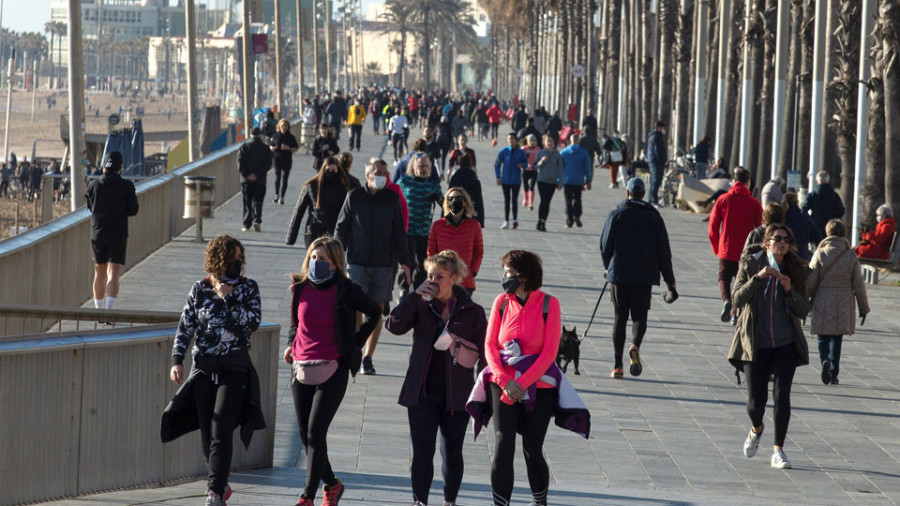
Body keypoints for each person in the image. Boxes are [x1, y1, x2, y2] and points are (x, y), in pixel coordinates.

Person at [163, 235, 265, 506]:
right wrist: (177, 360)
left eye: (241, 258)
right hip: (205, 368)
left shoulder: (248, 288)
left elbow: (252, 322)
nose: (238, 263)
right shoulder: (200, 289)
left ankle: (215, 493)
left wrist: (229, 300)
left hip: (235, 368)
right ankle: (220, 481)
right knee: (208, 433)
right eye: (234, 258)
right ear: (220, 259)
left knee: (222, 427)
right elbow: (186, 326)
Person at [284, 236, 382, 506]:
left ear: (335, 263)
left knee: (316, 433)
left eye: (323, 259)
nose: (316, 263)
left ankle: (307, 497)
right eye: (313, 258)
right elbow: (295, 321)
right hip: (301, 366)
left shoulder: (346, 289)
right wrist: (290, 345)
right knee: (305, 436)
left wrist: (354, 343)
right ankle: (333, 484)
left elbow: (375, 312)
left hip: (333, 366)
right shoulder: (299, 286)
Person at [385, 251, 487, 506]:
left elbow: (485, 353)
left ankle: (449, 501)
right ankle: (420, 501)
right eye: (430, 275)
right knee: (422, 452)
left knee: (452, 452)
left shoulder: (472, 311)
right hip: (422, 392)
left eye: (439, 276)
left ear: (454, 278)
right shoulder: (420, 305)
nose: (433, 280)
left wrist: (484, 393)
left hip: (458, 395)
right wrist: (414, 295)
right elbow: (393, 325)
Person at [483, 250, 565, 506]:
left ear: (525, 277)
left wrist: (524, 382)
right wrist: (505, 380)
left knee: (532, 449)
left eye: (509, 272)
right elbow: (489, 345)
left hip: (539, 387)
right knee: (502, 446)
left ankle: (539, 501)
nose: (504, 277)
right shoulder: (501, 302)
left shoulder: (549, 304)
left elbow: (550, 353)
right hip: (504, 384)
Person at [729, 224, 810, 470]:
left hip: (785, 343)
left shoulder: (795, 269)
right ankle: (757, 428)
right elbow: (737, 298)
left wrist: (789, 292)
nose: (782, 243)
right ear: (766, 243)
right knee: (756, 402)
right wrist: (758, 278)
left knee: (782, 396)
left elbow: (804, 309)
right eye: (777, 239)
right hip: (755, 343)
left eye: (787, 239)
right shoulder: (751, 264)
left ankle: (778, 450)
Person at [334, 158, 412, 375]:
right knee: (357, 307)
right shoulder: (354, 196)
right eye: (377, 172)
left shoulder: (392, 198)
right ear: (368, 174)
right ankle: (357, 349)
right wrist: (335, 256)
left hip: (384, 263)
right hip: (357, 262)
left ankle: (368, 357)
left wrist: (406, 262)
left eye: (385, 173)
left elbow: (399, 233)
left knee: (376, 311)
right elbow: (341, 228)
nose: (382, 176)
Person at [600, 177, 676, 378]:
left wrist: (608, 267)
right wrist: (670, 280)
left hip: (619, 275)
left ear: (627, 193)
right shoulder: (654, 217)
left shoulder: (616, 214)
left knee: (619, 317)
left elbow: (604, 245)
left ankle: (618, 366)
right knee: (640, 317)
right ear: (643, 194)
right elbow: (664, 252)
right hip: (644, 276)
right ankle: (635, 344)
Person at [807, 219, 870, 386]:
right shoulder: (850, 256)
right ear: (844, 234)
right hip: (844, 299)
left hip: (822, 297)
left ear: (827, 233)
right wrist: (863, 308)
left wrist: (803, 301)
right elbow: (859, 285)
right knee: (837, 338)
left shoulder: (820, 253)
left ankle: (824, 360)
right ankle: (834, 373)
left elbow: (810, 280)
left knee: (822, 336)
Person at [84, 151, 139, 309]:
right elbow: (133, 210)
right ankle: (109, 310)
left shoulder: (93, 185)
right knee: (113, 273)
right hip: (118, 234)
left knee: (99, 273)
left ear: (104, 166)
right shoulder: (127, 186)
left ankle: (98, 310)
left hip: (97, 233)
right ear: (120, 167)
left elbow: (90, 206)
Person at [708, 167, 762, 325]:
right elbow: (760, 227)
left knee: (723, 278)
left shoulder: (723, 200)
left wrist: (716, 247)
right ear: (748, 182)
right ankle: (735, 314)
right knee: (743, 283)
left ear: (734, 181)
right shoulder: (754, 203)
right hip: (746, 251)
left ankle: (726, 301)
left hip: (726, 248)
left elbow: (712, 226)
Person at [397, 152, 444, 293]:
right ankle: (404, 287)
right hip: (407, 230)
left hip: (424, 231)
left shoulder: (433, 185)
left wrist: (439, 199)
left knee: (424, 265)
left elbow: (445, 205)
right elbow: (393, 200)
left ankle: (415, 289)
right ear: (413, 166)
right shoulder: (404, 182)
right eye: (421, 166)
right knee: (409, 263)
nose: (424, 169)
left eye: (426, 166)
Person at [286, 157, 353, 249]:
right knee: (315, 259)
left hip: (333, 233)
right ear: (323, 169)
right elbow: (298, 211)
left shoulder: (342, 188)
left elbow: (347, 214)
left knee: (328, 261)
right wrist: (291, 237)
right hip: (313, 231)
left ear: (338, 170)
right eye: (328, 169)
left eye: (333, 169)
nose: (331, 172)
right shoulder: (312, 186)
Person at [427, 188, 484, 296]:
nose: (454, 201)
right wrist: (435, 272)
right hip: (443, 278)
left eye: (458, 198)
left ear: (464, 202)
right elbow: (431, 251)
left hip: (465, 279)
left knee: (462, 311)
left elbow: (479, 251)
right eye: (450, 198)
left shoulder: (474, 225)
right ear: (447, 203)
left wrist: (473, 271)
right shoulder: (438, 225)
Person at [238, 127, 274, 232]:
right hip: (260, 180)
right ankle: (257, 220)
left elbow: (239, 163)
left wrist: (247, 175)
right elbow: (268, 165)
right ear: (260, 135)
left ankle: (246, 224)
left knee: (247, 202)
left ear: (250, 134)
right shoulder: (265, 148)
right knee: (258, 201)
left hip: (246, 181)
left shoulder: (243, 147)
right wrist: (257, 175)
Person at [494, 132, 528, 229]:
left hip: (516, 180)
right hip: (505, 180)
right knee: (507, 201)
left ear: (516, 140)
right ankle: (506, 220)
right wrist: (498, 176)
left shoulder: (521, 152)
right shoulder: (503, 151)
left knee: (514, 200)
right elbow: (497, 164)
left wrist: (522, 165)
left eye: (512, 138)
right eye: (509, 139)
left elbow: (526, 163)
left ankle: (515, 220)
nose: (510, 140)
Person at [560, 132, 592, 228]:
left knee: (568, 200)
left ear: (570, 141)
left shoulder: (564, 152)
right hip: (578, 180)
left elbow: (560, 167)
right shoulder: (584, 153)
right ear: (579, 141)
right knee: (577, 199)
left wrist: (558, 180)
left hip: (567, 180)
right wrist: (588, 180)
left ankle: (569, 219)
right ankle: (577, 215)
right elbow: (587, 168)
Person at [802, 171, 845, 237]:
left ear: (816, 181)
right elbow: (841, 210)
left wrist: (811, 220)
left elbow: (803, 210)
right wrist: (833, 220)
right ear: (828, 181)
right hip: (831, 228)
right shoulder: (834, 195)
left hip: (815, 227)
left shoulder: (812, 195)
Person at [535, 134, 563, 232]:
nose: (549, 143)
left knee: (547, 202)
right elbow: (535, 167)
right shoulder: (540, 153)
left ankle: (543, 222)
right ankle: (539, 221)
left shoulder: (557, 155)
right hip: (542, 180)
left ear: (554, 142)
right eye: (548, 141)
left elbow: (560, 169)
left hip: (552, 182)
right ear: (544, 142)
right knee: (543, 200)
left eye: (551, 141)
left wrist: (560, 183)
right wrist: (541, 162)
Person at [448, 153, 485, 229]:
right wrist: (480, 221)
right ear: (470, 164)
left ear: (460, 165)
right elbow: (479, 203)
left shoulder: (454, 179)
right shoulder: (475, 181)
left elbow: (448, 198)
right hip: (470, 216)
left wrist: (445, 216)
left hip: (455, 215)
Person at [783, 192, 822, 261]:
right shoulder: (804, 217)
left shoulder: (782, 218)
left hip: (784, 256)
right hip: (802, 255)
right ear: (797, 202)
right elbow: (817, 234)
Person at [270, 119, 300, 205]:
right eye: (282, 126)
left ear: (288, 127)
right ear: (279, 126)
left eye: (285, 126)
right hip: (277, 159)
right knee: (277, 176)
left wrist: (289, 148)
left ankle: (282, 196)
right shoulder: (276, 136)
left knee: (285, 178)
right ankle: (276, 195)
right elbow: (271, 145)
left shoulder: (291, 137)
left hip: (287, 159)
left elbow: (296, 147)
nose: (284, 127)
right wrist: (272, 148)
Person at [646, 121, 667, 208]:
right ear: (658, 127)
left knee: (656, 181)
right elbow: (658, 150)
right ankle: (652, 200)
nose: (664, 130)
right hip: (656, 162)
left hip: (655, 161)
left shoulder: (657, 136)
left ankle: (653, 200)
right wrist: (662, 159)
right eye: (663, 128)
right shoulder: (656, 137)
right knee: (655, 181)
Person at [521, 134, 541, 211]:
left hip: (534, 170)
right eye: (531, 141)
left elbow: (541, 158)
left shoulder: (538, 149)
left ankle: (531, 204)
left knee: (532, 186)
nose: (532, 142)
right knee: (525, 186)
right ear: (527, 141)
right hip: (525, 170)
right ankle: (525, 198)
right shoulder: (523, 149)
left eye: (534, 141)